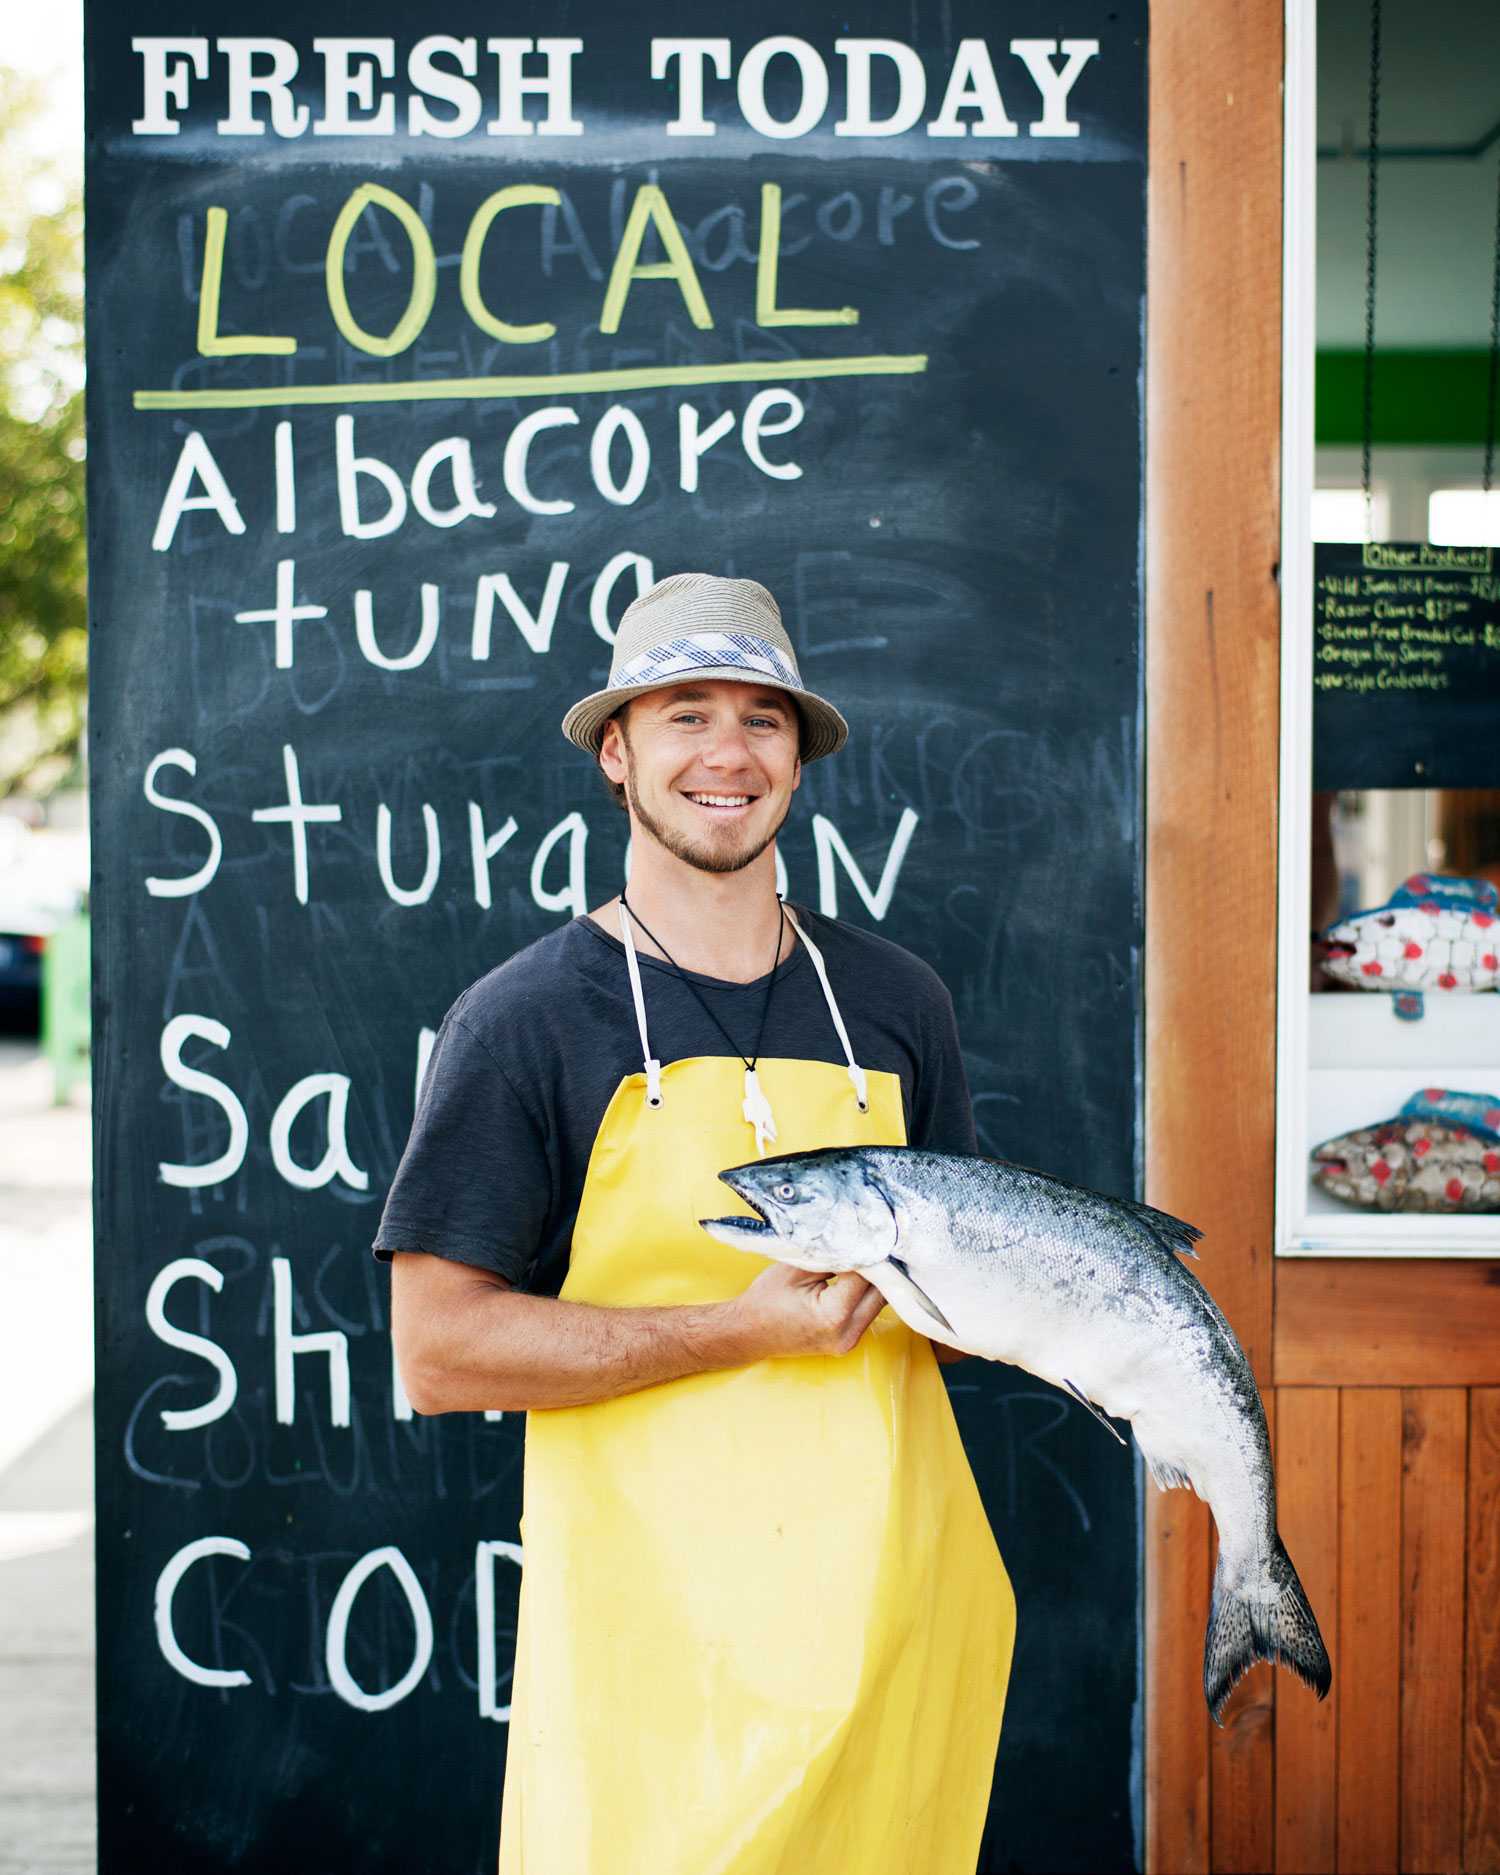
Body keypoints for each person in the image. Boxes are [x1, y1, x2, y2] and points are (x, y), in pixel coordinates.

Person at [375, 572, 1014, 1875]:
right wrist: (738, 1331)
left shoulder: (896, 1003)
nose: (729, 753)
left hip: (894, 1607)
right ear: (617, 751)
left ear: (799, 757)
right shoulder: (525, 1020)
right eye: (686, 714)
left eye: (764, 720)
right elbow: (438, 1353)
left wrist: (997, 1309)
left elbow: (965, 1316)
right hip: (651, 1653)